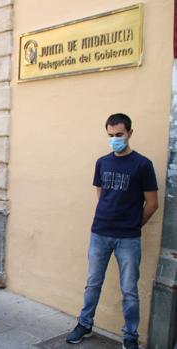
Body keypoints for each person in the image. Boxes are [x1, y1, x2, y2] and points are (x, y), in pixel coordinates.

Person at [66, 114, 159, 349]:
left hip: (128, 238)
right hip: (100, 233)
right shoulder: (103, 162)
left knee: (129, 289)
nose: (115, 139)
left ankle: (130, 336)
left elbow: (152, 203)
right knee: (93, 283)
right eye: (111, 136)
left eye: (119, 135)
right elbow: (101, 194)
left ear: (130, 133)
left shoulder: (143, 164)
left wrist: (134, 224)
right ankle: (84, 324)